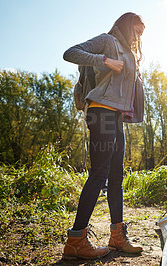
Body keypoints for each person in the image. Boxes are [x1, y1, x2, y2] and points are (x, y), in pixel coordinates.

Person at [62, 12, 145, 260]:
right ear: (127, 25)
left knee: (117, 176)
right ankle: (76, 239)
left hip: (116, 116)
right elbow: (71, 52)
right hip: (101, 113)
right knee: (99, 174)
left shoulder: (129, 53)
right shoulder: (108, 41)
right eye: (137, 31)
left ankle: (117, 236)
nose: (138, 37)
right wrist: (104, 61)